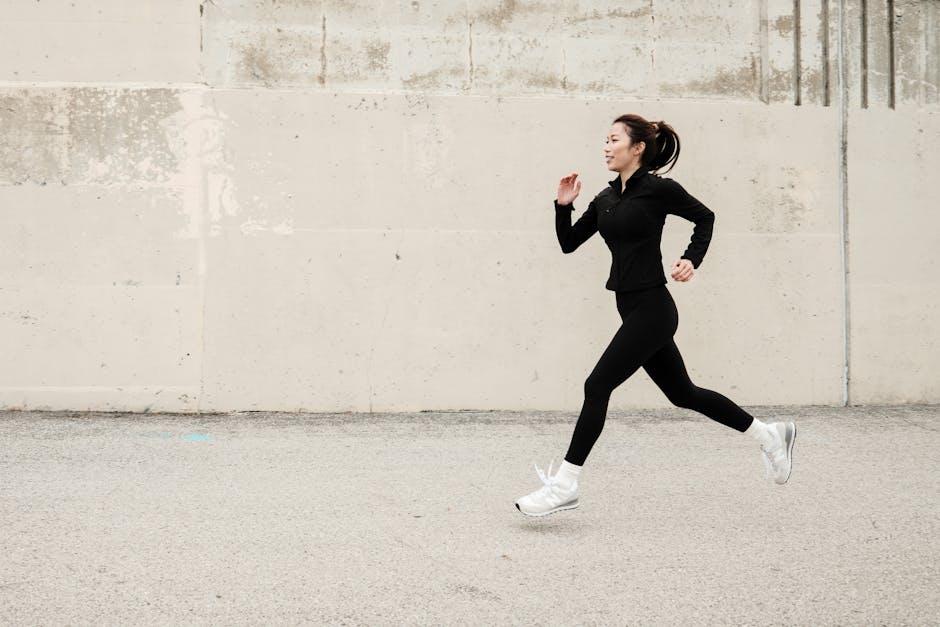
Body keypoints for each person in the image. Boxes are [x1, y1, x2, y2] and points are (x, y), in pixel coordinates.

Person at [515, 114, 796, 517]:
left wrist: (690, 259)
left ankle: (565, 484)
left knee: (596, 386)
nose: (606, 147)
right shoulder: (606, 199)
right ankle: (769, 435)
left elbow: (705, 217)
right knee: (683, 394)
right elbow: (568, 243)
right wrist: (563, 206)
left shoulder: (659, 190)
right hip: (631, 309)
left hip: (653, 309)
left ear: (638, 148)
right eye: (605, 140)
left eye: (614, 139)